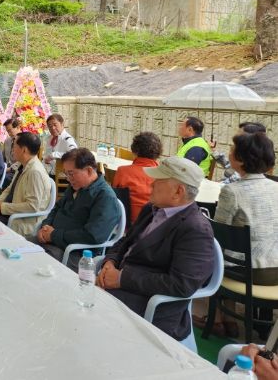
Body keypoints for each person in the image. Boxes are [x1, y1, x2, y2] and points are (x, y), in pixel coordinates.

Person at [97, 156, 215, 341]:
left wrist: (121, 278)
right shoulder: (152, 209)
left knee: (91, 306)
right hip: (123, 286)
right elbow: (125, 242)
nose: (151, 184)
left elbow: (181, 284)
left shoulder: (195, 229)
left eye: (158, 181)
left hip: (151, 303)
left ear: (178, 191)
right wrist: (110, 262)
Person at [194, 132, 278, 338]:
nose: (229, 152)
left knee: (214, 253)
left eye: (232, 150)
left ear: (240, 159)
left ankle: (218, 319)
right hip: (275, 269)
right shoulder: (276, 187)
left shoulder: (232, 191)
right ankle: (230, 321)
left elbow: (219, 233)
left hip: (248, 272)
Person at [32, 148, 118, 270]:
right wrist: (45, 226)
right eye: (66, 174)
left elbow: (92, 236)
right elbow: (57, 208)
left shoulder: (105, 197)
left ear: (89, 171)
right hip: (53, 241)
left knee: (33, 264)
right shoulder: (75, 186)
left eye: (71, 174)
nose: (68, 178)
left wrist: (54, 235)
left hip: (76, 253)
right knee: (21, 246)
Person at [0, 132, 50, 236]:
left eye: (14, 146)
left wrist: (3, 207)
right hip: (10, 213)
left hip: (21, 220)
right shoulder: (23, 165)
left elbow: (32, 206)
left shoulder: (35, 172)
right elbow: (10, 188)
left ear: (24, 150)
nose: (12, 150)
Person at [112, 132, 162, 223]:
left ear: (135, 151)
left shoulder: (122, 171)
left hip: (126, 224)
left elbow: (114, 198)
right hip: (154, 225)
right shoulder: (164, 176)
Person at [1, 117, 21, 188]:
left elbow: (24, 160)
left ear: (18, 127)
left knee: (3, 178)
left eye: (10, 130)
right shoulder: (7, 141)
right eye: (7, 131)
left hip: (17, 171)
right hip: (6, 170)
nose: (9, 133)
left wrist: (10, 169)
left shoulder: (25, 141)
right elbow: (2, 157)